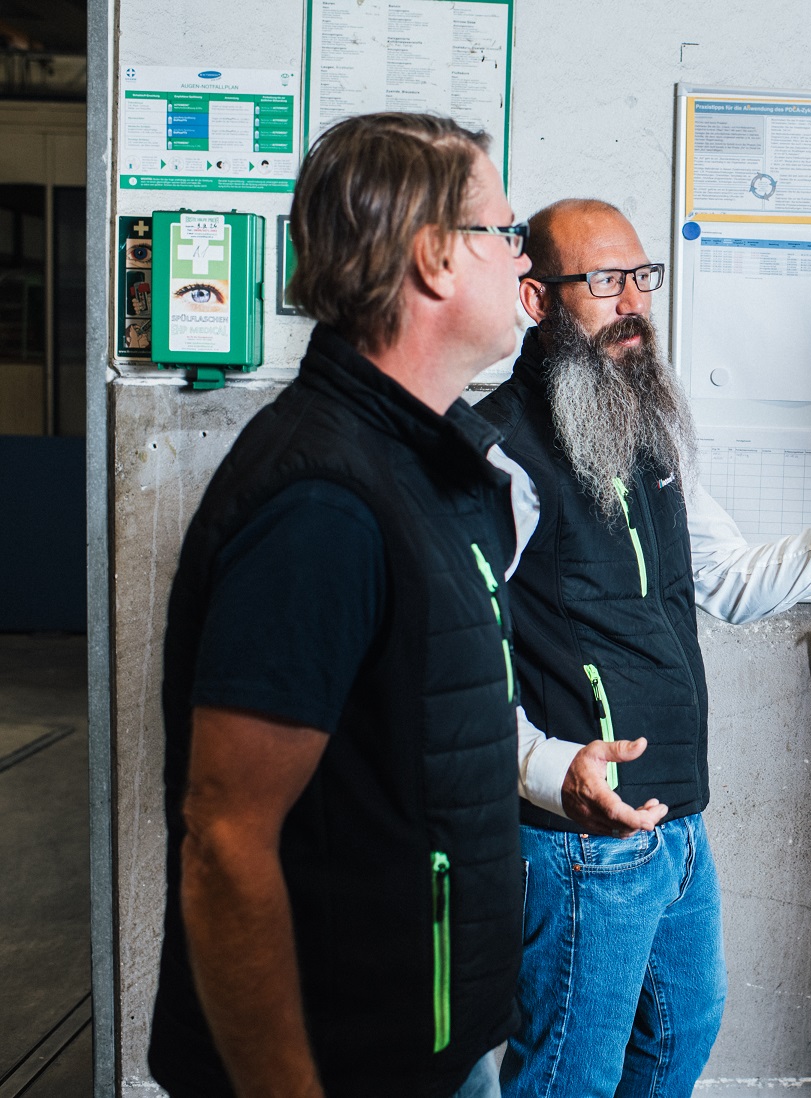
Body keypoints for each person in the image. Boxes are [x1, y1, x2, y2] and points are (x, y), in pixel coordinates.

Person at [474, 198, 811, 1098]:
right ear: (537, 300)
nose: (634, 302)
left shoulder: (646, 429)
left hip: (679, 823)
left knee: (680, 1038)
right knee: (570, 1078)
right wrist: (542, 770)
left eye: (642, 277)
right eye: (605, 282)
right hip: (582, 840)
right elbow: (450, 664)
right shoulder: (497, 456)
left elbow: (732, 581)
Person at [148, 113, 534, 1098]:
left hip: (434, 1046)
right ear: (435, 257)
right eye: (505, 230)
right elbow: (225, 840)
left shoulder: (421, 465)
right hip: (346, 1069)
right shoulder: (323, 503)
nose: (521, 255)